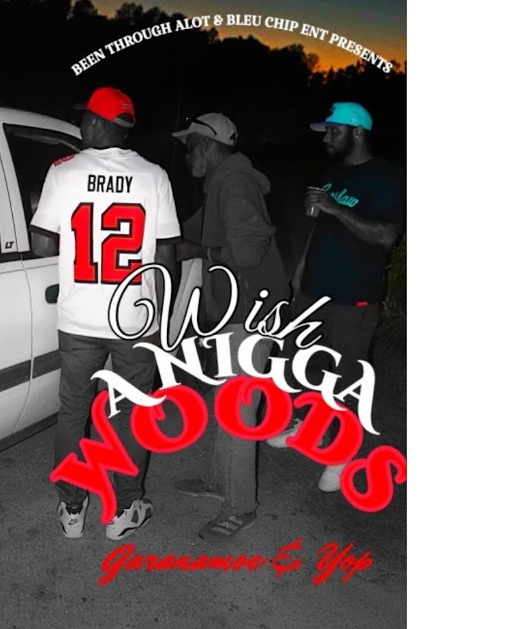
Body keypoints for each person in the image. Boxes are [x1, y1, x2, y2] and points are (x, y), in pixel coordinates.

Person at [29, 87, 181, 540]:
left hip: (79, 319)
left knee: (73, 412)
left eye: (84, 118)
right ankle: (126, 509)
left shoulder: (63, 171)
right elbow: (167, 254)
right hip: (134, 319)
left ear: (97, 123)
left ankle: (72, 510)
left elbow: (41, 244)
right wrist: (162, 318)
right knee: (131, 414)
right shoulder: (154, 175)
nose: (81, 125)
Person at [265, 101, 405, 491]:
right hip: (313, 289)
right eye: (326, 131)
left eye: (333, 131)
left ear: (357, 132)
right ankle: (303, 424)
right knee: (298, 362)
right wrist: (301, 267)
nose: (326, 137)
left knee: (345, 376)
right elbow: (319, 228)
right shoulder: (333, 174)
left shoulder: (386, 177)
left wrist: (335, 208)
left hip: (352, 296)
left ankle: (341, 455)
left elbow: (386, 235)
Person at [169, 113, 288, 541]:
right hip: (233, 311)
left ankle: (241, 507)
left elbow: (249, 253)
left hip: (251, 313)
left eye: (191, 146)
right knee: (227, 400)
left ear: (210, 143)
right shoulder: (219, 184)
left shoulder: (235, 184)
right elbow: (186, 231)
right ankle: (219, 481)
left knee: (238, 409)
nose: (187, 155)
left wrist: (198, 250)